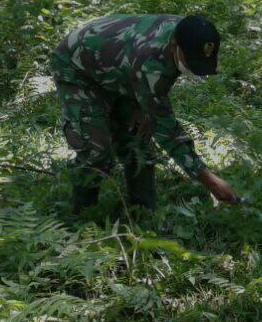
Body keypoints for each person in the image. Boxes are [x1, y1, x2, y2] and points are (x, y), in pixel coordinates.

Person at [48, 14, 240, 214]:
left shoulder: (191, 32)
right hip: (76, 68)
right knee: (96, 151)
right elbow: (168, 133)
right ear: (174, 46)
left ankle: (144, 215)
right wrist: (209, 180)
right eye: (190, 60)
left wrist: (143, 106)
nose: (193, 66)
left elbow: (140, 76)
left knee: (138, 137)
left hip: (122, 69)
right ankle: (81, 219)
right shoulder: (151, 61)